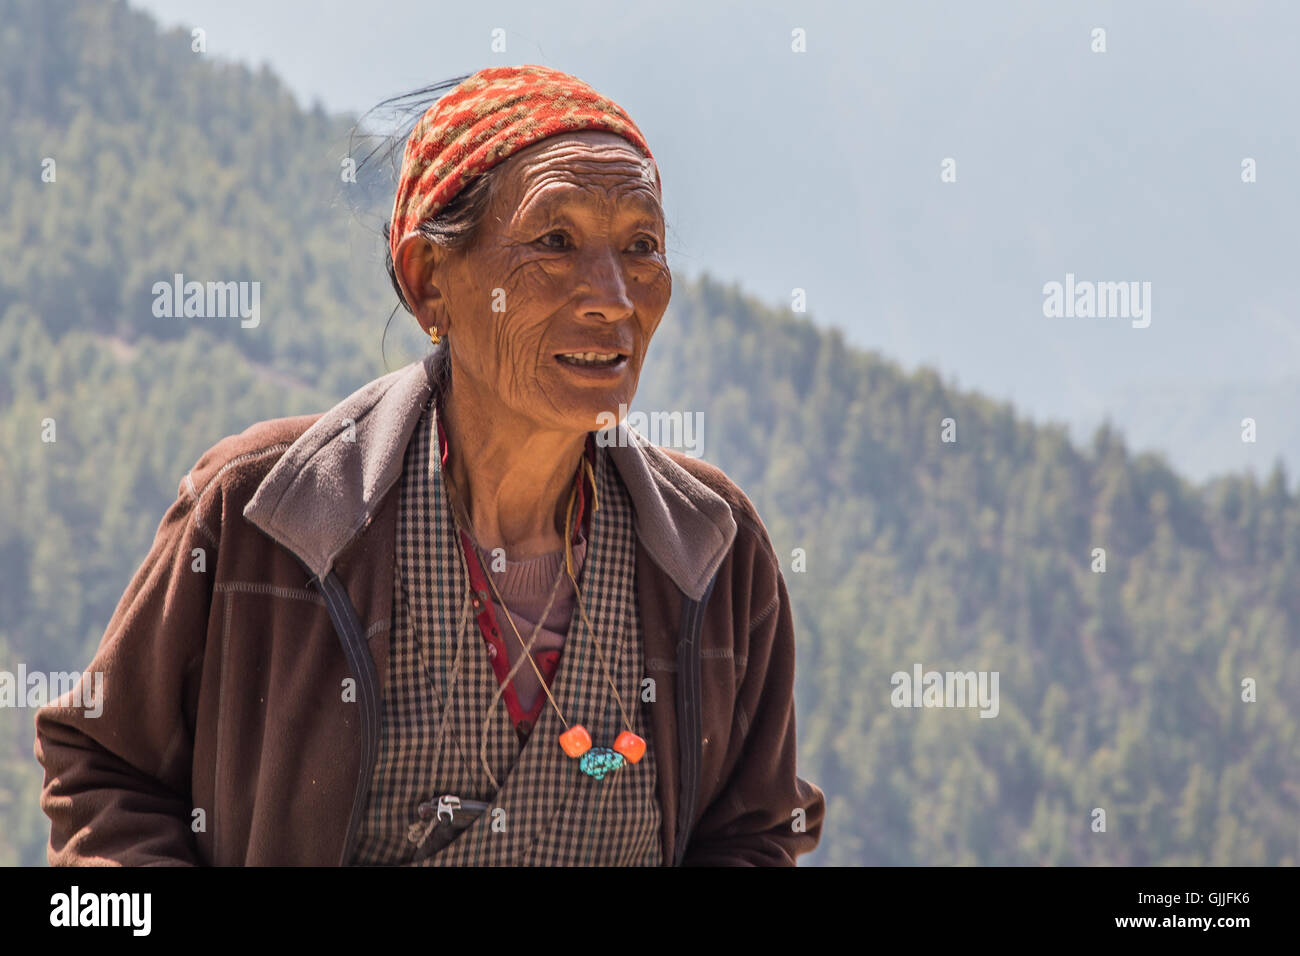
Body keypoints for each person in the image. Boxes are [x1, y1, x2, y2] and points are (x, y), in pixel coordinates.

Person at [34, 63, 825, 866]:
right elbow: (104, 770)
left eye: (642, 246)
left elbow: (755, 829)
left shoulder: (712, 553)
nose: (615, 297)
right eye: (556, 242)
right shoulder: (265, 516)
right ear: (428, 282)